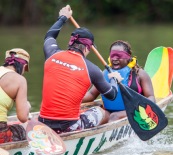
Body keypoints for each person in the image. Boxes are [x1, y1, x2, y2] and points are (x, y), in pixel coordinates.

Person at [38, 5, 119, 133]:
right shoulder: (92, 69)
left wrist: (63, 17)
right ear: (87, 48)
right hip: (69, 127)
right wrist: (114, 79)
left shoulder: (51, 53)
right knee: (103, 112)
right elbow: (112, 95)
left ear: (71, 43)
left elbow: (49, 35)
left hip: (43, 121)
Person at [82, 40, 156, 121]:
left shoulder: (140, 74)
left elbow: (150, 96)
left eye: (119, 55)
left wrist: (142, 109)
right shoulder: (104, 74)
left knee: (114, 116)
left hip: (133, 111)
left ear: (128, 56)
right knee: (91, 115)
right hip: (108, 112)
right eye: (112, 55)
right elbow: (92, 94)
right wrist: (73, 99)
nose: (115, 59)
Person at [0, 48, 31, 144]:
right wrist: (27, 107)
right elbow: (22, 118)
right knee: (21, 130)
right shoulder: (20, 80)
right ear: (24, 66)